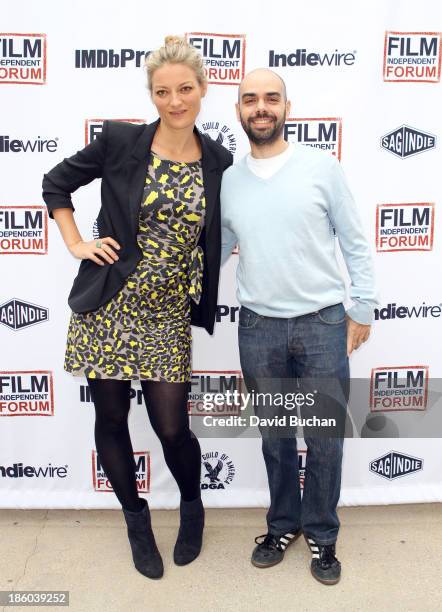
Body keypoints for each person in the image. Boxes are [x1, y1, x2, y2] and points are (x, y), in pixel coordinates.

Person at [42, 36, 232, 580]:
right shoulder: (121, 142)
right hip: (110, 308)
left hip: (168, 312)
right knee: (111, 419)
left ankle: (192, 508)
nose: (175, 101)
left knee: (173, 428)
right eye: (162, 91)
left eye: (185, 89)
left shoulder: (218, 162)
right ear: (151, 95)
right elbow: (56, 184)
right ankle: (136, 519)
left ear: (202, 90)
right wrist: (77, 242)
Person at [221, 68, 376, 585]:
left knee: (326, 437)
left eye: (270, 98)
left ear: (288, 107)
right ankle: (282, 524)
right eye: (250, 99)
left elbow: (354, 238)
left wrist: (365, 305)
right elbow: (217, 248)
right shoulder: (229, 179)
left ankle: (323, 535)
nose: (260, 107)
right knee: (275, 437)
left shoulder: (320, 167)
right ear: (239, 111)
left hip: (322, 324)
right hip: (258, 328)